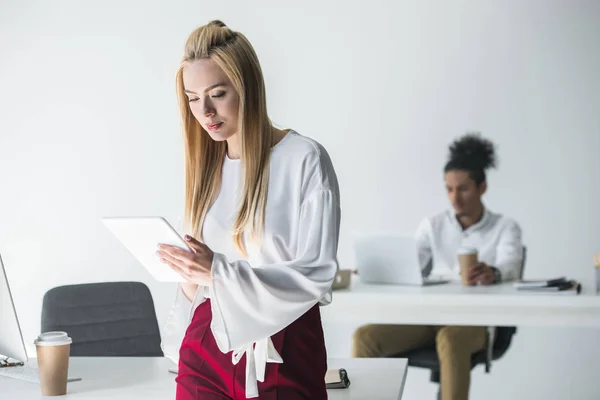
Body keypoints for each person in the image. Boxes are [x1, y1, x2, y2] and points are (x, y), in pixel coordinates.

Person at [157, 20, 341, 400]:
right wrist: (178, 339)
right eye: (192, 98)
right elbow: (195, 283)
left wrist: (218, 271)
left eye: (217, 93)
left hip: (282, 345)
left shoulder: (304, 159)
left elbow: (316, 275)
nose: (204, 110)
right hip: (207, 342)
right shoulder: (207, 168)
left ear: (248, 88)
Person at [352, 133, 523, 400]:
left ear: (482, 187)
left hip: (476, 321)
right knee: (365, 337)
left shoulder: (504, 227)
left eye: (464, 188)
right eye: (449, 188)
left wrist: (495, 273)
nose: (455, 197)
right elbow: (411, 265)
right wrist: (381, 269)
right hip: (428, 318)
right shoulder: (434, 225)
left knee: (450, 339)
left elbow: (510, 265)